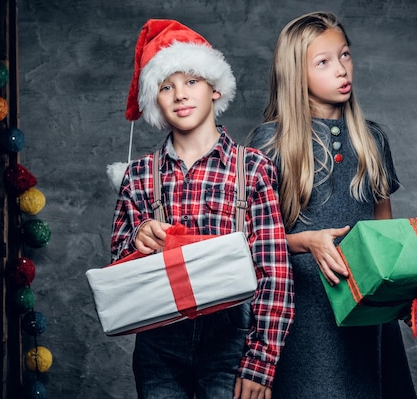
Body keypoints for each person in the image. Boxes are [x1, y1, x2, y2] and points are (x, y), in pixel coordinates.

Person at [110, 19, 294, 399]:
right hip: (159, 346)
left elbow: (274, 271)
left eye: (191, 80)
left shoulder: (252, 168)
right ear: (154, 101)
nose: (180, 94)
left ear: (214, 87)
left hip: (232, 344)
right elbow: (120, 267)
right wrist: (136, 239)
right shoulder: (140, 175)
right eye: (166, 86)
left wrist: (261, 361)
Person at [247, 11, 417, 398]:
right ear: (296, 74)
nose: (341, 70)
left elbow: (384, 230)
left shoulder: (372, 139)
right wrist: (305, 241)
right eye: (323, 62)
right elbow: (248, 241)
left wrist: (405, 285)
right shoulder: (269, 142)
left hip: (367, 313)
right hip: (302, 314)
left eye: (344, 55)